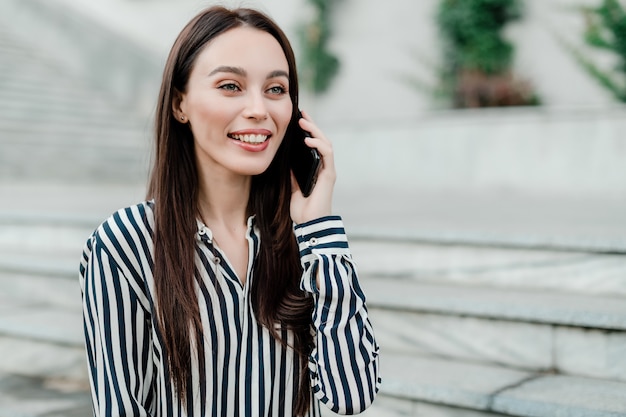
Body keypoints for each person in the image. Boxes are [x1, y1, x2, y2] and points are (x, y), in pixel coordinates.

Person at [79, 5, 380, 417]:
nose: (259, 108)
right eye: (230, 86)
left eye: (276, 89)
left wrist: (320, 229)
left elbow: (350, 396)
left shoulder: (303, 239)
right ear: (179, 104)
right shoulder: (125, 244)